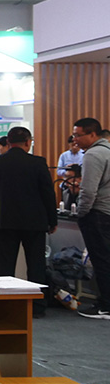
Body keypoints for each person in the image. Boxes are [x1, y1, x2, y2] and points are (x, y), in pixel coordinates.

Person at [0, 126, 57, 316]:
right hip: (34, 221)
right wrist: (52, 220)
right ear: (28, 142)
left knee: (5, 265)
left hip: (5, 220)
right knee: (36, 265)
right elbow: (48, 194)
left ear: (8, 142)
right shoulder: (38, 163)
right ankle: (37, 307)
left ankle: (4, 307)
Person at [72, 118, 110, 319]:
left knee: (101, 260)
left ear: (93, 134)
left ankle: (106, 305)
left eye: (78, 135)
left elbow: (88, 191)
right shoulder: (108, 151)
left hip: (97, 214)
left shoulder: (93, 155)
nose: (75, 140)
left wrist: (81, 212)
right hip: (107, 212)